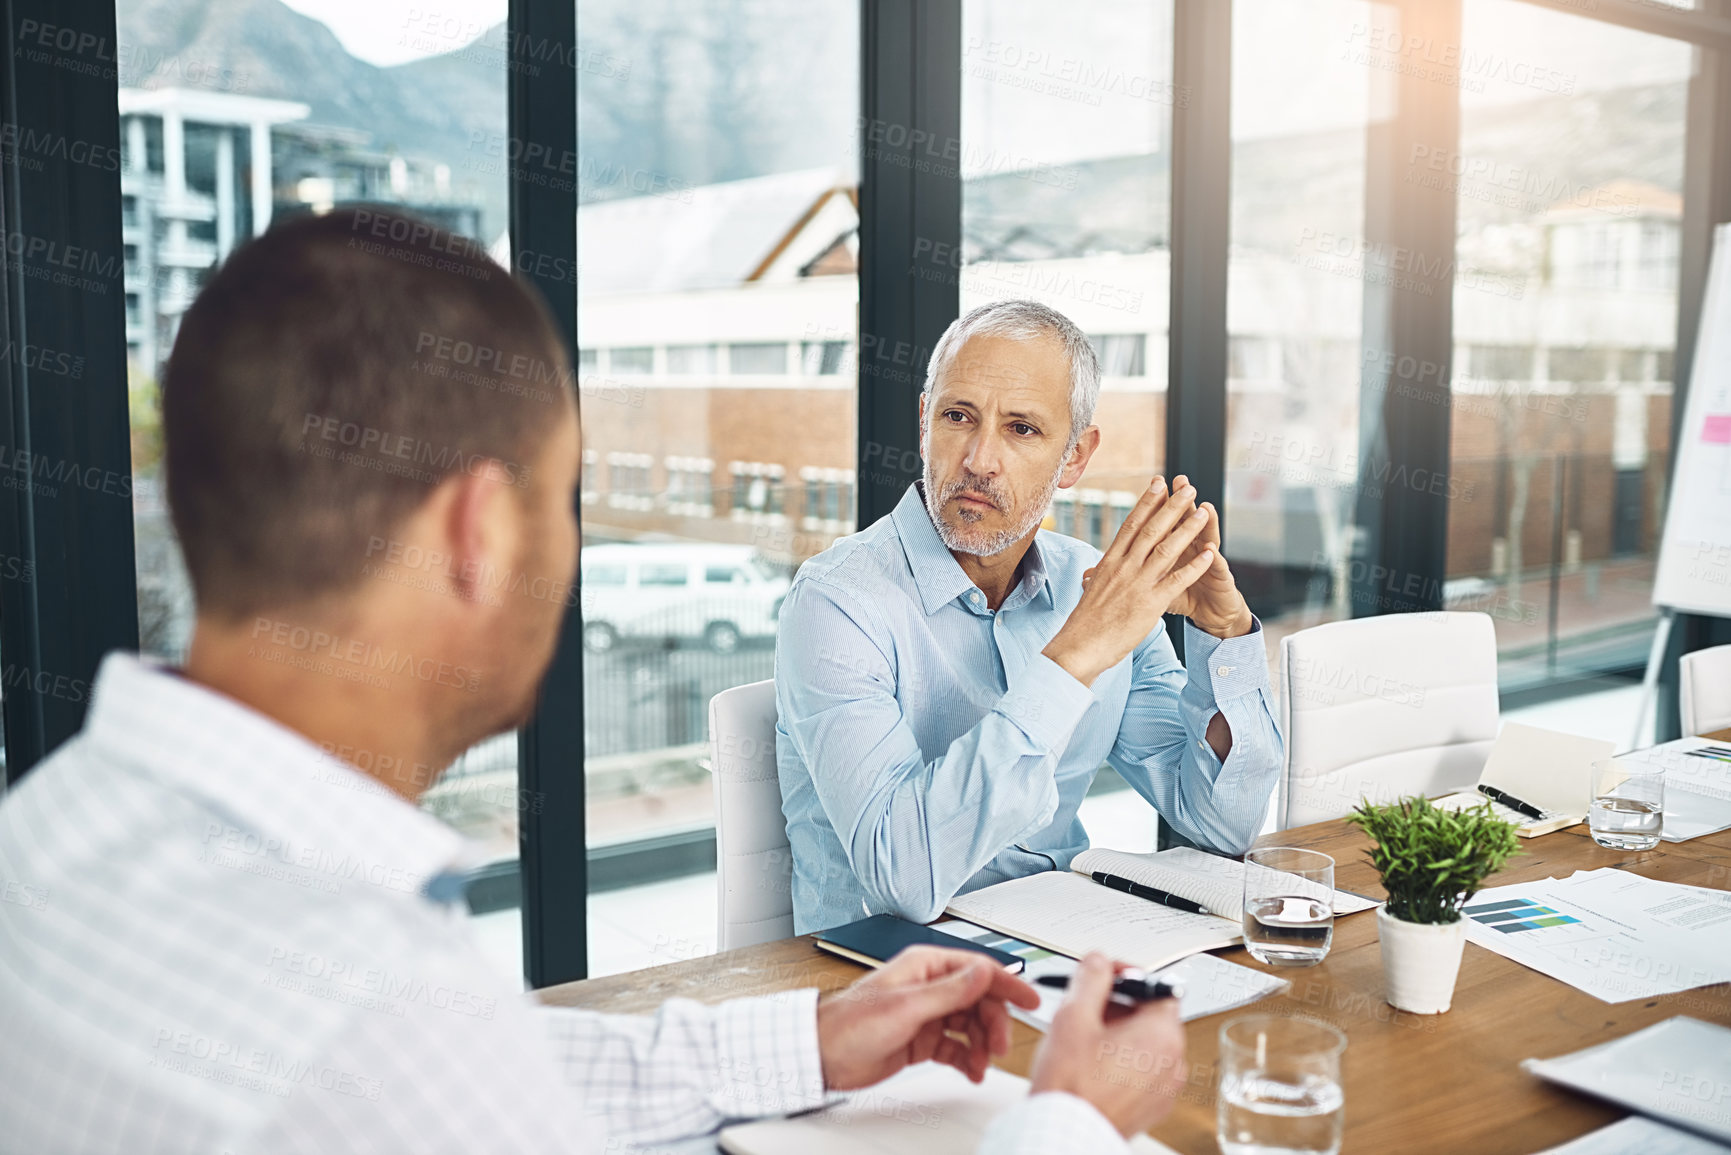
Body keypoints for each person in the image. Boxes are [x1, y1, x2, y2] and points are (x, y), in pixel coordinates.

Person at [0, 211, 1185, 1153]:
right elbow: (409, 1056)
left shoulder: (50, 837)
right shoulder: (357, 1002)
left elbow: (474, 1058)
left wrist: (814, 1040)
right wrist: (1071, 1120)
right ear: (477, 532)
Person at [776, 299, 1284, 933]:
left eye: (1022, 428)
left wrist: (1223, 637)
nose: (980, 460)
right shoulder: (837, 601)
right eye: (958, 416)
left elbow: (1220, 823)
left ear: (1074, 457)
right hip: (885, 976)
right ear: (926, 425)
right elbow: (902, 876)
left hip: (1063, 944)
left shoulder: (1093, 586)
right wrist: (1075, 656)